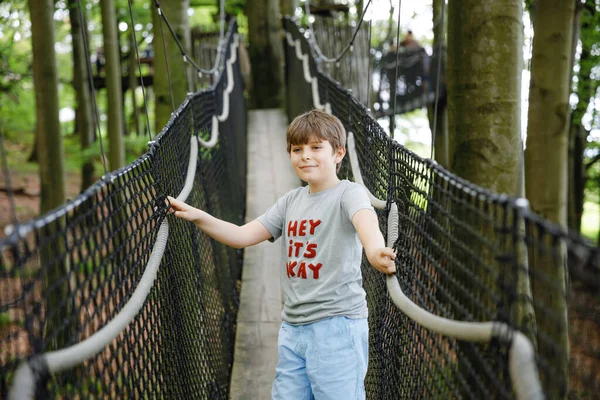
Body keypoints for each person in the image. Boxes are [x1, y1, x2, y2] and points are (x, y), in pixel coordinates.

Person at [167, 109, 396, 399]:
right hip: (293, 328)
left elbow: (367, 224)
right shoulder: (290, 201)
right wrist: (199, 216)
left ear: (338, 153)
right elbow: (242, 236)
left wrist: (375, 252)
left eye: (316, 147)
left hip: (335, 327)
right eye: (297, 149)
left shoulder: (349, 194)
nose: (305, 156)